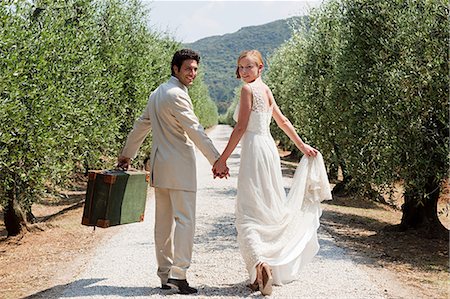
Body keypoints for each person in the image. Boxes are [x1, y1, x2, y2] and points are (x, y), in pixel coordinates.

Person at [213, 50, 331, 296]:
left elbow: (241, 127)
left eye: (249, 67)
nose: (244, 72)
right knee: (268, 209)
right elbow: (282, 122)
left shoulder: (248, 91)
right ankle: (264, 270)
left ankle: (260, 264)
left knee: (248, 211)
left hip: (255, 150)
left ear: (260, 67)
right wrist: (302, 146)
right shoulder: (265, 90)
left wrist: (222, 159)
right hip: (269, 151)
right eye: (241, 68)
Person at [117, 49, 228, 295]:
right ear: (175, 68)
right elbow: (195, 130)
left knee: (163, 224)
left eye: (196, 69)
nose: (193, 73)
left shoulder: (156, 93)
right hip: (180, 168)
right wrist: (217, 160)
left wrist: (127, 154)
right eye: (188, 68)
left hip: (160, 167)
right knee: (185, 221)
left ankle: (165, 275)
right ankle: (179, 275)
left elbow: (140, 126)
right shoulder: (177, 94)